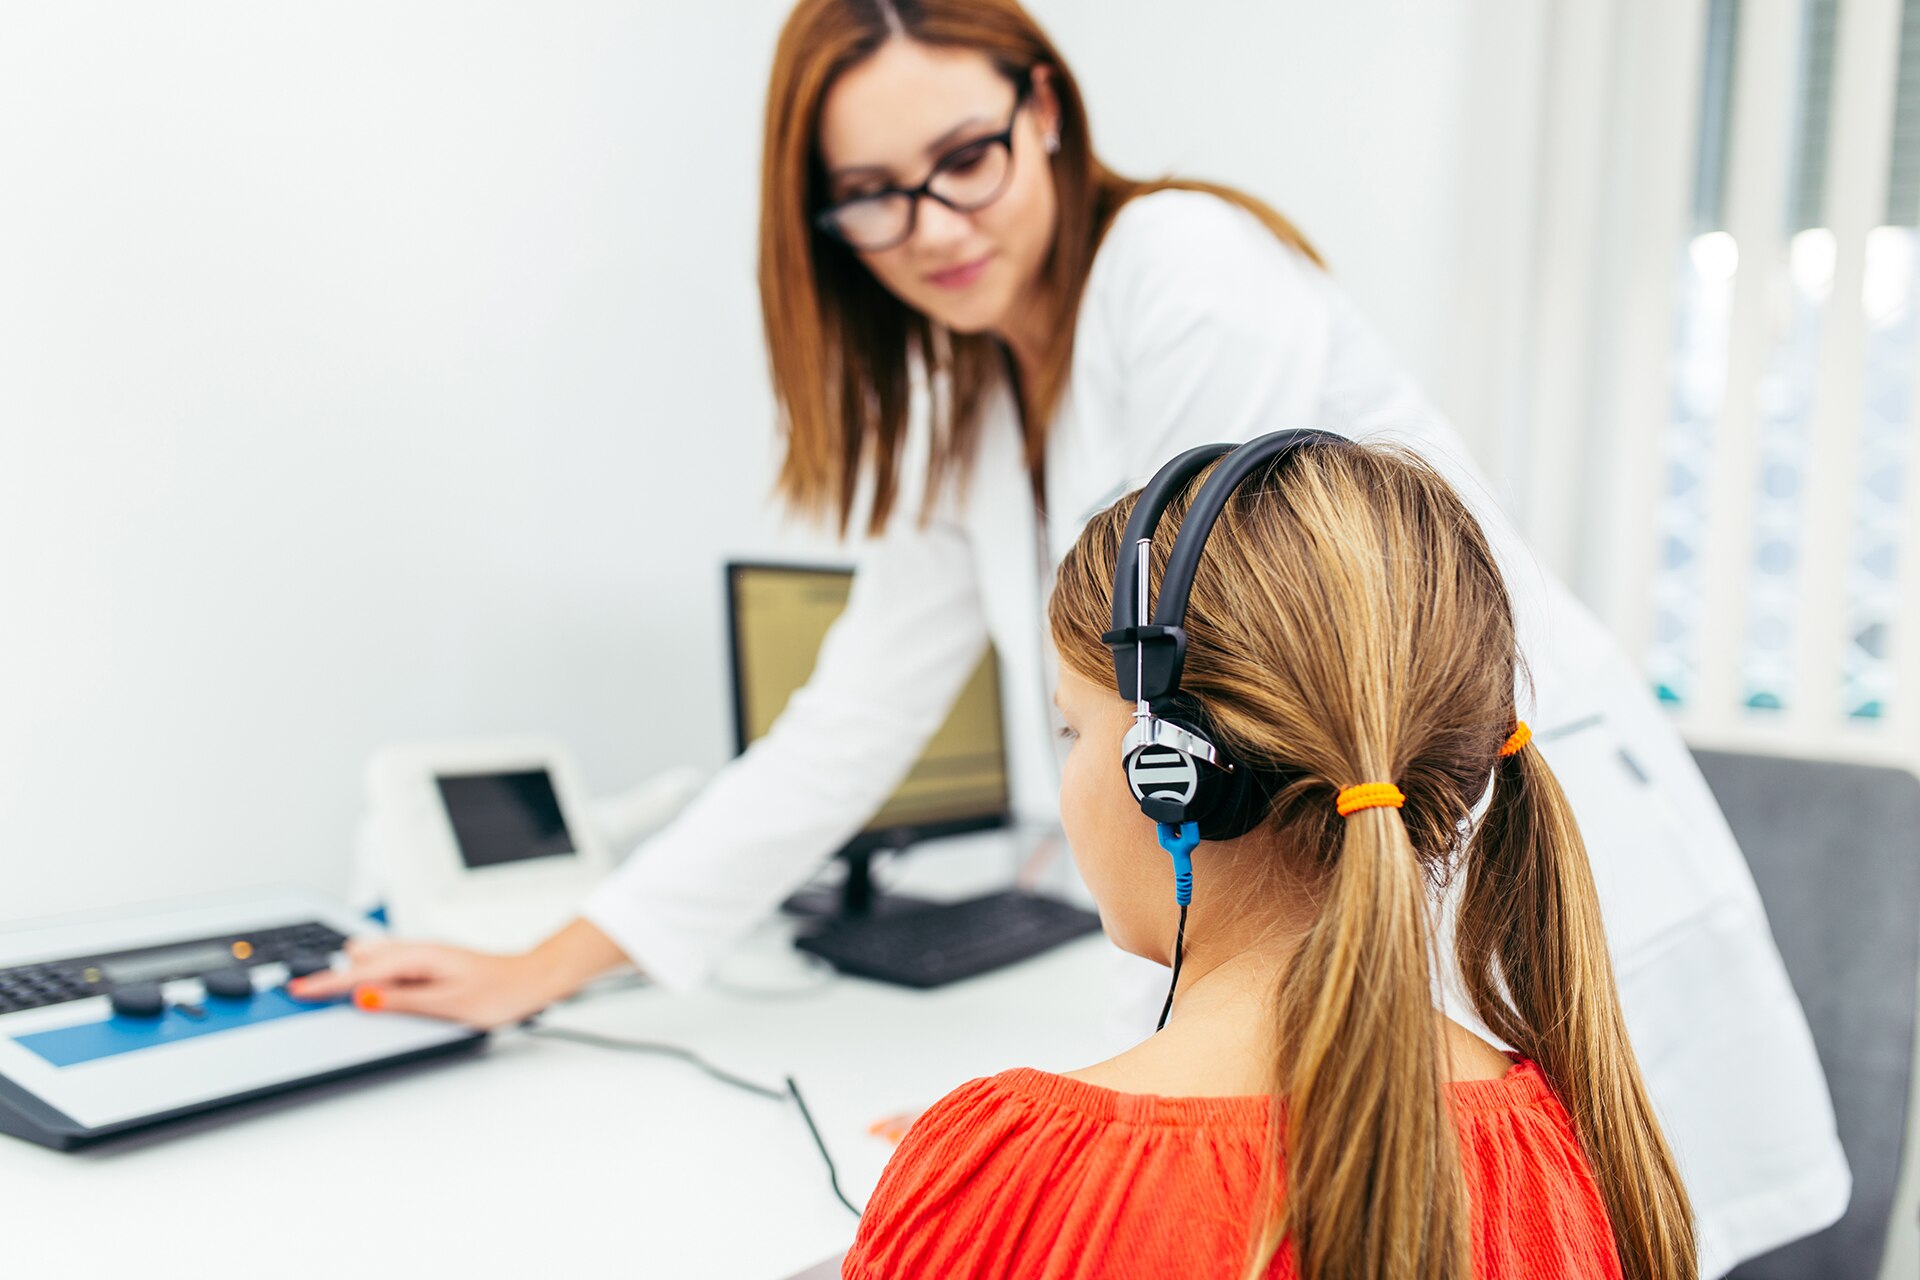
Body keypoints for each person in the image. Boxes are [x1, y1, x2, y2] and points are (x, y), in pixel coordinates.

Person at [289, 2, 1846, 1268]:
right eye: (871, 193)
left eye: (962, 156)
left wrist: (1102, 1121)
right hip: (1312, 950)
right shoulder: (954, 406)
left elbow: (1225, 758)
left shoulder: (1181, 277)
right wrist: (539, 966)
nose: (932, 222)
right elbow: (849, 725)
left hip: (1440, 873)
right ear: (817, 215)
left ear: (1043, 110)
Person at [843, 435, 1695, 1280]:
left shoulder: (1002, 1181)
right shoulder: (1571, 1142)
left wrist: (999, 1171)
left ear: (1173, 777)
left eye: (1075, 729)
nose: (1068, 774)